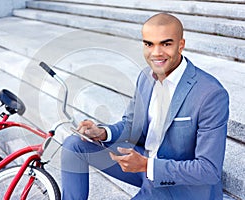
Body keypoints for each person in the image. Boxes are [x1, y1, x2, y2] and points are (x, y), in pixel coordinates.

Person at [61, 13, 229, 200]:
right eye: (149, 44)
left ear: (181, 45)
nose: (156, 53)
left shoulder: (210, 93)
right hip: (143, 164)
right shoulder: (146, 77)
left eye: (166, 44)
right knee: (74, 146)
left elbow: (208, 170)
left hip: (181, 186)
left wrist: (146, 165)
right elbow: (132, 125)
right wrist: (102, 133)